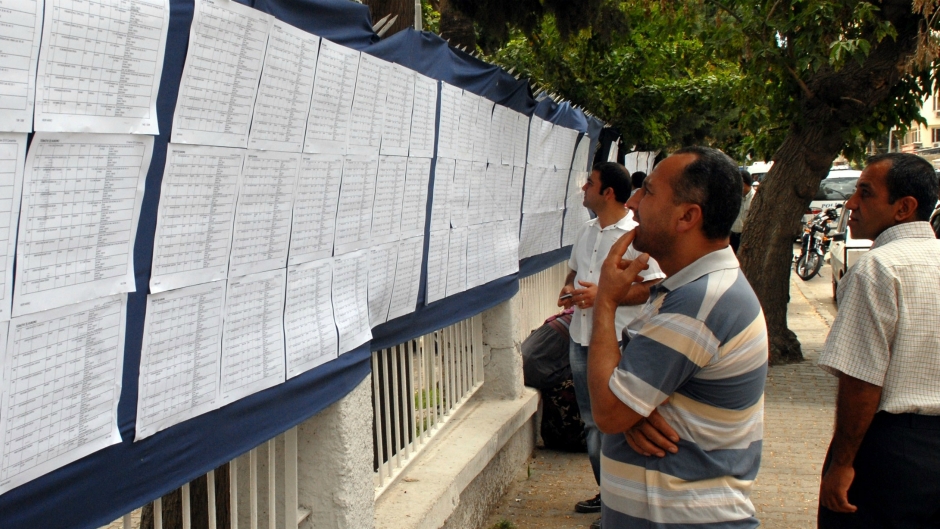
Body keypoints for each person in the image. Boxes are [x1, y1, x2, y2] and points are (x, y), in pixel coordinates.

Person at [589, 147, 767, 528]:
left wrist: (605, 301)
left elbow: (607, 410)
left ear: (687, 216)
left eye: (649, 192)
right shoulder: (688, 290)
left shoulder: (701, 301)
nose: (634, 202)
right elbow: (622, 401)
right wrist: (632, 408)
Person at [816, 152, 940, 528]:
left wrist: (842, 464)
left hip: (894, 452)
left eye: (865, 193)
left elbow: (861, 382)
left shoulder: (877, 268)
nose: (850, 203)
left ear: (904, 207)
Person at [558, 162, 665, 518]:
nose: (583, 188)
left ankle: (628, 501)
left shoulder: (635, 235)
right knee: (591, 421)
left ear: (607, 192)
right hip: (580, 338)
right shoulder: (586, 230)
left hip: (619, 341)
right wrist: (569, 287)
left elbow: (651, 286)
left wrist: (605, 295)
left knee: (622, 421)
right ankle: (608, 497)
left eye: (590, 183)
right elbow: (574, 270)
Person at [730, 168, 755, 253]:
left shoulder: (755, 198)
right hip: (733, 235)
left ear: (745, 183)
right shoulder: (735, 197)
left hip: (746, 237)